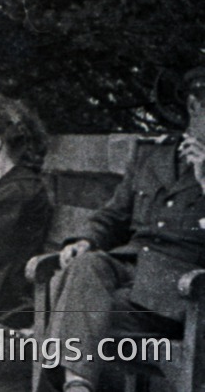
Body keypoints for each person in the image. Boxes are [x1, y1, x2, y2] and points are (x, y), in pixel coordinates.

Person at [44, 65, 205, 392]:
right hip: (129, 275)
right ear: (193, 107)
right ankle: (77, 387)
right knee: (84, 265)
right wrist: (86, 241)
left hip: (181, 292)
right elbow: (113, 215)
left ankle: (70, 385)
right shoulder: (153, 155)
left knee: (65, 300)